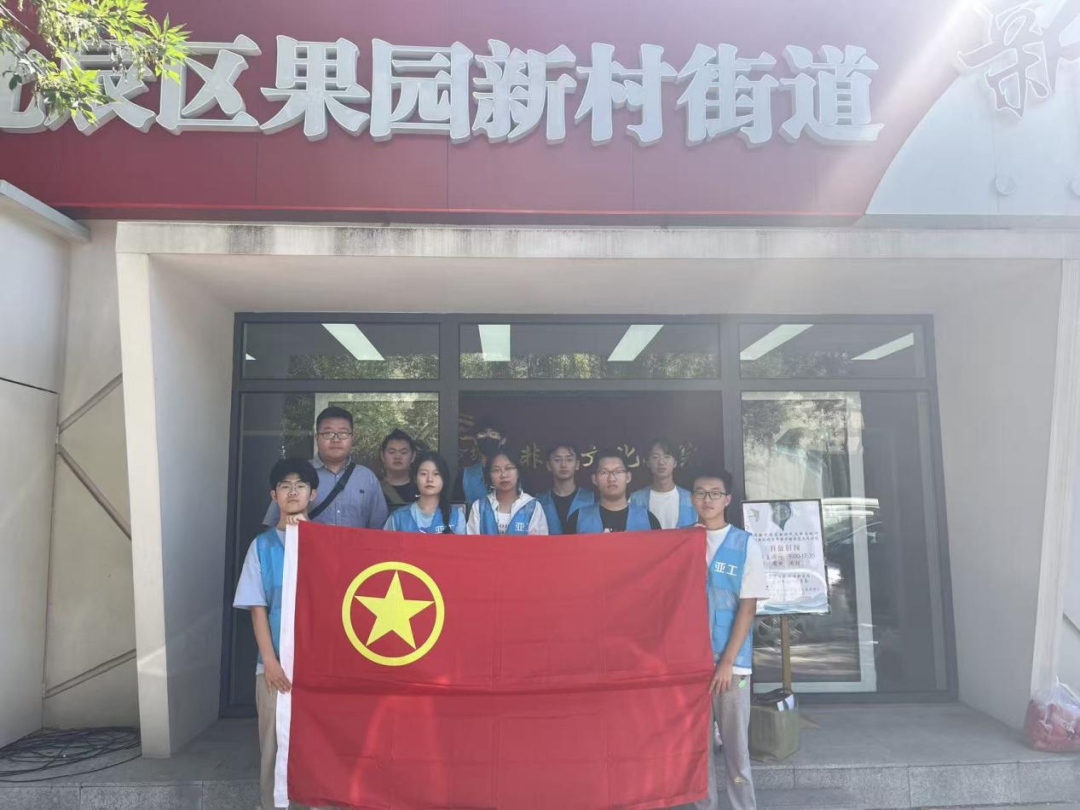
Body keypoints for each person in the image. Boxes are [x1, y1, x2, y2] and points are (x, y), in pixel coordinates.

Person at [234, 458, 319, 810]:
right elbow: (257, 608)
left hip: (318, 668)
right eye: (285, 485)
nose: (293, 491)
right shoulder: (262, 546)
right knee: (273, 745)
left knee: (318, 747)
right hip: (274, 668)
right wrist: (269, 662)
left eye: (301, 485)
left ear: (313, 494)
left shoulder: (329, 543)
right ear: (274, 495)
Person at [691, 469, 768, 810]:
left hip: (732, 666)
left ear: (727, 499)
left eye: (714, 493)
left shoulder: (744, 544)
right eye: (700, 492)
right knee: (699, 750)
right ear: (692, 498)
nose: (707, 499)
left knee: (736, 749)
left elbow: (747, 609)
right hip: (690, 663)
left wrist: (726, 663)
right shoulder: (682, 542)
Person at [263, 406, 388, 530]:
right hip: (306, 543)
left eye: (343, 433)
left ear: (352, 438)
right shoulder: (296, 473)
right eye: (328, 433)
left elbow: (379, 530)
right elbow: (274, 526)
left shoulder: (367, 478)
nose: (336, 439)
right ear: (317, 438)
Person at [565, 448, 661, 533]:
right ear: (594, 479)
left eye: (618, 472)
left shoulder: (648, 520)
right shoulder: (578, 519)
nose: (611, 478)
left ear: (628, 477)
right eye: (604, 472)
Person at [466, 446, 548, 535]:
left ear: (518, 472)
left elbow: (540, 543)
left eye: (509, 468)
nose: (503, 475)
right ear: (489, 475)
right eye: (496, 470)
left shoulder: (532, 507)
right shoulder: (479, 507)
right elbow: (471, 542)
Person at [383, 451, 466, 534]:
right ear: (415, 478)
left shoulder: (456, 516)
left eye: (436, 474)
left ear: (444, 478)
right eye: (423, 474)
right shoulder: (397, 518)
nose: (430, 479)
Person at [629, 438, 697, 530]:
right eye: (655, 457)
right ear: (648, 463)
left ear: (675, 463)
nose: (661, 462)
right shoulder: (635, 500)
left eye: (667, 457)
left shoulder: (691, 499)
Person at [535, 442, 596, 534]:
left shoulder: (591, 499)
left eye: (569, 460)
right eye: (557, 460)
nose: (563, 465)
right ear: (548, 465)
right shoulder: (539, 501)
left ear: (577, 464)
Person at [452, 417, 508, 509]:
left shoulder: (513, 474)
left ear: (503, 440)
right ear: (475, 440)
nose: (488, 438)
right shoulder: (465, 476)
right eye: (482, 434)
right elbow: (457, 511)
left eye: (494, 434)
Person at [379, 429, 419, 512]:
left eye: (403, 452)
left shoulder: (422, 489)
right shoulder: (374, 488)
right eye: (392, 452)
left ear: (413, 456)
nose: (397, 456)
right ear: (382, 456)